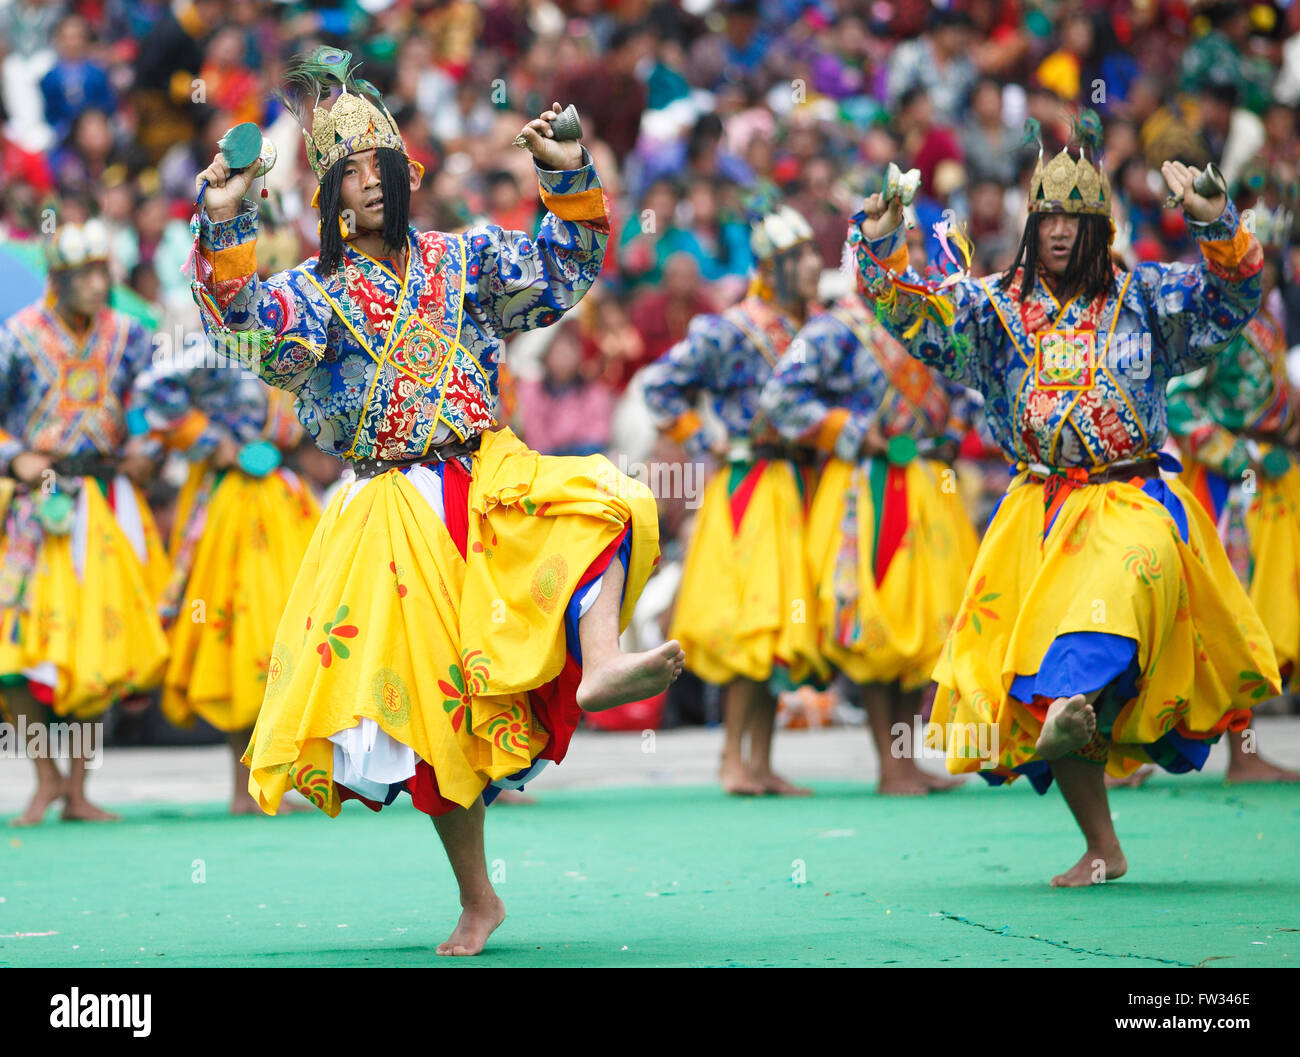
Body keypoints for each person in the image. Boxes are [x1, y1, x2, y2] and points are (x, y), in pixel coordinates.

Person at [190, 48, 683, 956]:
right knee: (436, 711)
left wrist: (568, 166)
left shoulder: (467, 259)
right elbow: (243, 330)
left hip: (486, 471)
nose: (370, 183)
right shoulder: (313, 295)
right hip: (391, 510)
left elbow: (565, 271)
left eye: (382, 166)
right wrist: (224, 216)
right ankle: (478, 896)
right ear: (330, 195)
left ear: (406, 176)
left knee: (605, 501)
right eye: (350, 173)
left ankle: (606, 660)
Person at [851, 111, 1278, 886]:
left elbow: (1235, 295)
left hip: (1132, 501)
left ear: (1099, 228)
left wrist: (1214, 219)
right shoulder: (994, 309)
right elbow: (909, 312)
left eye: (1073, 222)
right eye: (1046, 220)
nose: (1057, 234)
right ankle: (1101, 843)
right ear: (1029, 225)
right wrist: (883, 240)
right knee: (1050, 684)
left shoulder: (1147, 296)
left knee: (1107, 606)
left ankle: (1074, 701)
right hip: (1038, 512)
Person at [760, 276, 979, 795]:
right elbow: (779, 396)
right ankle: (889, 765)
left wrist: (950, 435)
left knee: (926, 626)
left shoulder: (930, 316)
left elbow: (972, 379)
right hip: (866, 486)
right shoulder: (835, 328)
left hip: (928, 482)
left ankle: (906, 760)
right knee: (878, 623)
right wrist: (850, 432)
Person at [642, 197, 825, 796]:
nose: (810, 267)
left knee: (779, 630)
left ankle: (761, 760)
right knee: (753, 621)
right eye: (798, 258)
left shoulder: (813, 325)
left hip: (798, 483)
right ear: (771, 266)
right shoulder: (734, 326)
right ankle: (731, 758)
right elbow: (662, 386)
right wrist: (706, 437)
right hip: (748, 486)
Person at [0, 218, 170, 826]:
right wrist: (13, 455)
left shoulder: (130, 335)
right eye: (83, 275)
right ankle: (45, 776)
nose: (96, 285)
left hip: (106, 496)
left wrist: (149, 448)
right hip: (37, 502)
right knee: (16, 647)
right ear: (58, 279)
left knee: (107, 639)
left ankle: (78, 788)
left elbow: (150, 406)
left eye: (103, 272)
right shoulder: (16, 338)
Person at [129, 363, 321, 813]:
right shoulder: (210, 352)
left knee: (291, 635)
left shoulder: (298, 344)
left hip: (284, 499)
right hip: (230, 503)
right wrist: (211, 442)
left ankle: (275, 783)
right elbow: (149, 389)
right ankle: (244, 789)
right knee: (239, 637)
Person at [1167, 221, 1300, 784]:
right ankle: (1240, 755)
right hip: (1235, 490)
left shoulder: (1266, 318)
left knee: (1274, 608)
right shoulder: (1215, 326)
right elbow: (1180, 407)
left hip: (1276, 481)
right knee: (1237, 614)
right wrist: (1242, 453)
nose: (1260, 266)